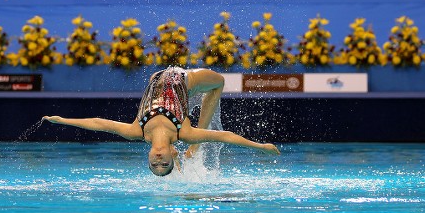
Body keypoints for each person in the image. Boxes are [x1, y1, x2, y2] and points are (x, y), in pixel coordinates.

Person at [42, 67, 280, 176]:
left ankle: (191, 147)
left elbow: (99, 123)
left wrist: (63, 120)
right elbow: (227, 136)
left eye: (154, 165)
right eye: (163, 165)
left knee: (202, 96)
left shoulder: (137, 131)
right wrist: (261, 147)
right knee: (218, 82)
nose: (158, 161)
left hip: (155, 76)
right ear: (168, 157)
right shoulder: (183, 133)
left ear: (148, 158)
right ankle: (195, 147)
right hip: (185, 79)